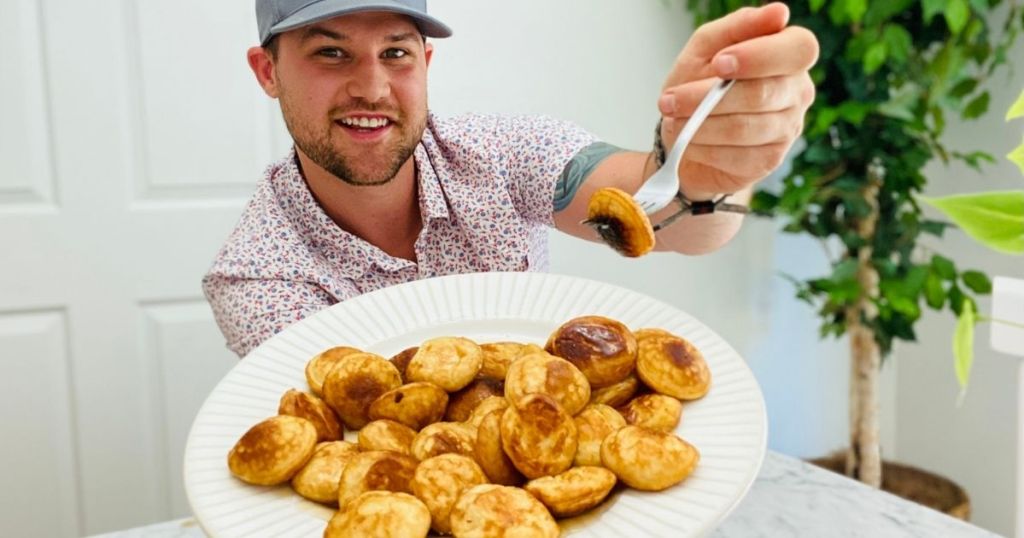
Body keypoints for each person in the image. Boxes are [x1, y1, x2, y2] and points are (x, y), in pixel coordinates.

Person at [203, 0, 819, 357]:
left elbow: (678, 223)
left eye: (396, 52)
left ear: (426, 62)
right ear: (268, 71)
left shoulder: (502, 151)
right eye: (331, 53)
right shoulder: (258, 275)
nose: (372, 87)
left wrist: (706, 168)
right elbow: (352, 454)